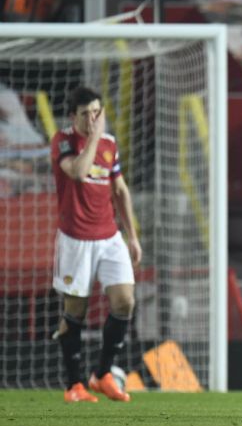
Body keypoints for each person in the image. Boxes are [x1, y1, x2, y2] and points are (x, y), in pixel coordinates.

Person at [50, 87, 140, 403]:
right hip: (75, 239)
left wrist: (132, 236)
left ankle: (101, 374)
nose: (93, 119)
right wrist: (92, 137)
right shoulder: (62, 141)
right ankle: (74, 385)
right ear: (73, 116)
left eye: (97, 112)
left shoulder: (109, 143)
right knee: (75, 309)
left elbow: (120, 189)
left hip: (109, 236)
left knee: (125, 301)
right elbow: (77, 172)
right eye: (86, 113)